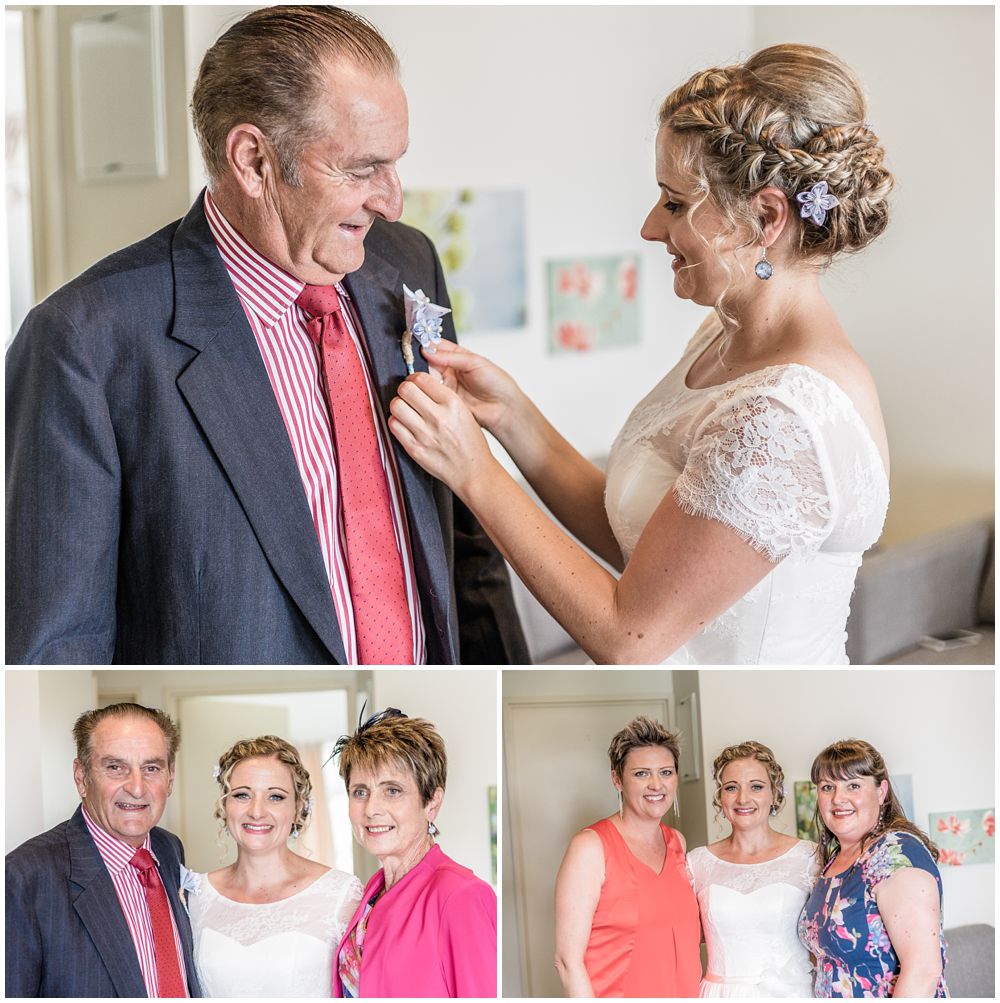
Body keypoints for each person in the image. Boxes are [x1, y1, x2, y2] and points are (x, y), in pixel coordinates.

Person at [5, 5, 527, 666]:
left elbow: (464, 540)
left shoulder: (407, 263)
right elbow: (58, 651)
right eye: (362, 169)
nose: (391, 200)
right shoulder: (84, 343)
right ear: (253, 161)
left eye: (393, 165)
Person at [388, 44, 892, 664]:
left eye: (675, 203)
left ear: (765, 216)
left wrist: (474, 471)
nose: (651, 227)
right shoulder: (721, 335)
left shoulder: (783, 417)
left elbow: (629, 639)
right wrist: (512, 417)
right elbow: (643, 535)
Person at [5, 703, 200, 998]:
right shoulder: (25, 875)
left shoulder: (169, 849)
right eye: (115, 767)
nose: (137, 788)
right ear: (82, 777)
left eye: (151, 768)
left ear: (170, 777)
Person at [330, 707, 496, 998]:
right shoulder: (373, 890)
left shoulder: (461, 896)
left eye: (392, 790)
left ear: (431, 802)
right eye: (360, 792)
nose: (371, 809)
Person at [185, 736, 362, 997]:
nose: (257, 811)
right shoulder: (197, 895)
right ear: (225, 804)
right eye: (242, 795)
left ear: (298, 807)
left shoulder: (341, 894)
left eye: (276, 797)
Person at [554, 716, 700, 997]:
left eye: (666, 772)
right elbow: (566, 961)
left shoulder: (677, 843)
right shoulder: (590, 847)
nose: (656, 784)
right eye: (641, 773)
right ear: (616, 779)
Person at [798, 739, 948, 997]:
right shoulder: (833, 862)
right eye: (827, 787)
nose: (838, 798)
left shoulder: (895, 854)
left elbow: (922, 971)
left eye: (853, 785)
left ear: (881, 792)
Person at [687, 741, 818, 997]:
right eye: (731, 788)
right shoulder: (697, 863)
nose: (742, 798)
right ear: (720, 797)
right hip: (719, 994)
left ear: (774, 794)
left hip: (792, 994)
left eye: (756, 787)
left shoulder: (809, 857)